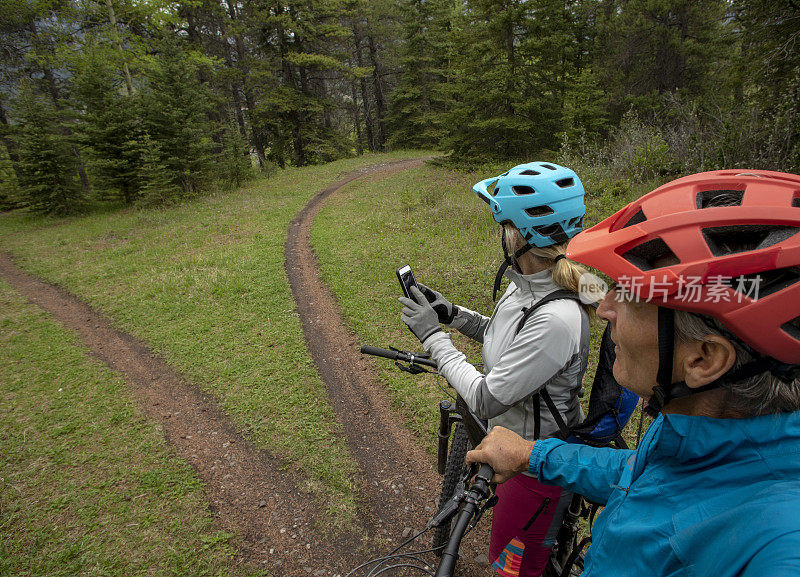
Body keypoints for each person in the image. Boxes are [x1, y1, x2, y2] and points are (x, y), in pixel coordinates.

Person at [466, 170, 800, 576]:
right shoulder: (700, 434)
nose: (604, 309)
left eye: (631, 295)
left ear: (703, 359)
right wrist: (531, 454)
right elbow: (640, 474)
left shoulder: (775, 547)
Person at [399, 162, 593, 576]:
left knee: (512, 569)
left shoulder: (557, 319)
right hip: (511, 444)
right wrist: (450, 314)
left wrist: (434, 338)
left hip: (534, 462)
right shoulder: (528, 282)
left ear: (518, 236)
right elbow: (499, 335)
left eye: (503, 225)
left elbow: (486, 399)